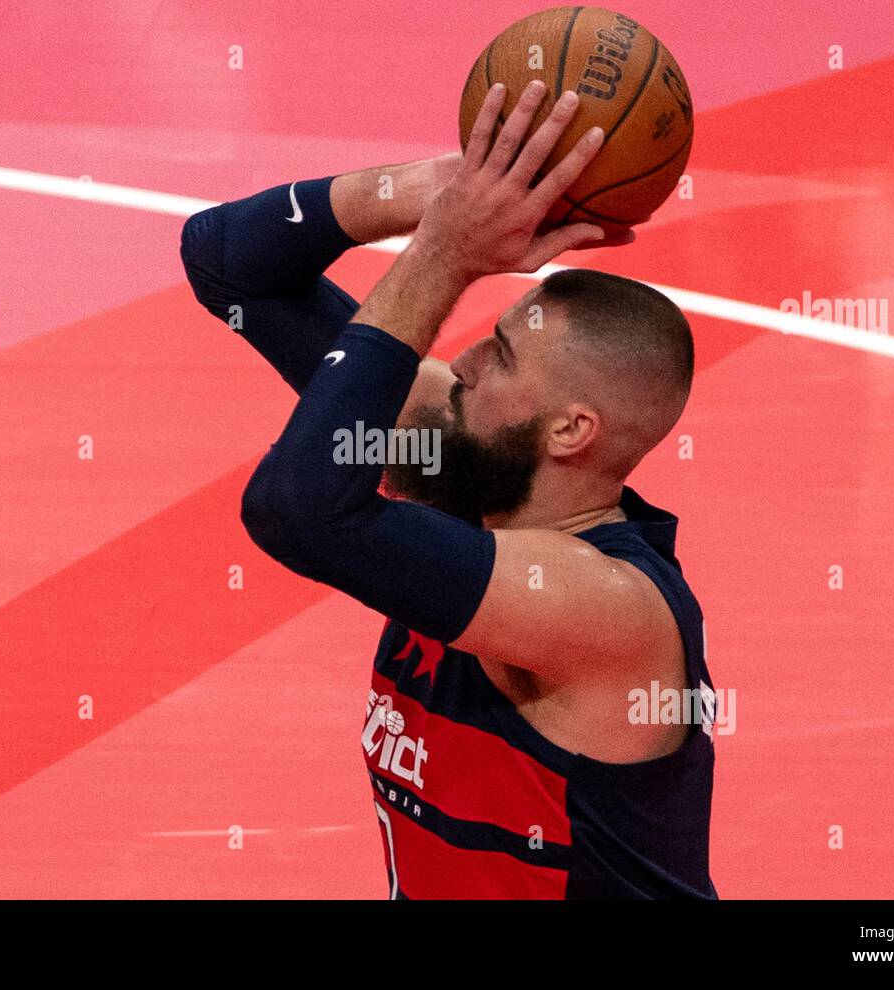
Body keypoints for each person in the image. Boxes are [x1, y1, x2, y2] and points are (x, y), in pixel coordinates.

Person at [180, 79, 717, 899]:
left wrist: (443, 256)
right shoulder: (462, 460)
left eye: (500, 356)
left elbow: (295, 509)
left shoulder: (607, 609)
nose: (460, 364)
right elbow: (225, 262)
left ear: (571, 431)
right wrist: (432, 193)